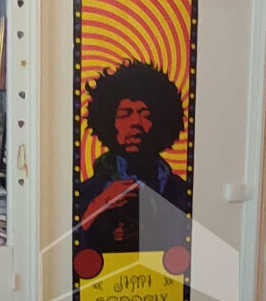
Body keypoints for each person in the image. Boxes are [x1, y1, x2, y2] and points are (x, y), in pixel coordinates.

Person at [74, 61, 193, 252]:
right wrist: (99, 205)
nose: (136, 123)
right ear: (108, 121)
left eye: (145, 115)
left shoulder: (179, 191)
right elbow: (69, 244)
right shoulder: (89, 191)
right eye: (125, 114)